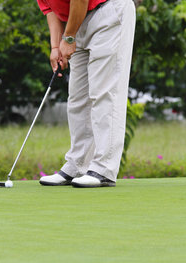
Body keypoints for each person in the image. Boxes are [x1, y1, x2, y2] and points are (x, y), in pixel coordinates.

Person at [37, 0, 136, 187]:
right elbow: (51, 10)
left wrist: (68, 38)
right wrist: (56, 47)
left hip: (109, 11)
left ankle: (104, 169)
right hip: (78, 21)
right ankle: (77, 165)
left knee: (105, 92)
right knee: (77, 97)